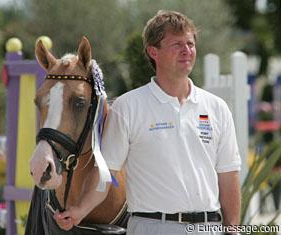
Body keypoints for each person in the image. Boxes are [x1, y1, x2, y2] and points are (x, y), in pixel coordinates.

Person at [55, 10, 241, 234]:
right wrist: (80, 210)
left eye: (190, 44)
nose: (187, 51)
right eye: (177, 44)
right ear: (153, 51)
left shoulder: (217, 108)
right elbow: (107, 173)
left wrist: (233, 229)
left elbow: (229, 175)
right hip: (151, 227)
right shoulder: (129, 107)